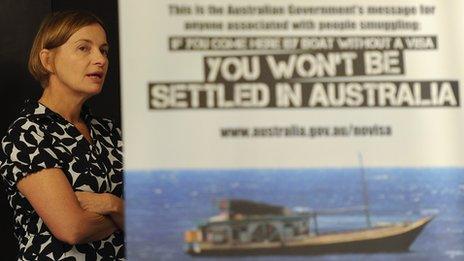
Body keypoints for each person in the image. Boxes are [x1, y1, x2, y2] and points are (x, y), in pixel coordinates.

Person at [0, 10, 125, 260]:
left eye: (104, 50)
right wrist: (127, 217)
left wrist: (112, 204)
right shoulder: (28, 134)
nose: (100, 59)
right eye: (83, 48)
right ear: (47, 61)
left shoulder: (110, 131)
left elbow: (154, 216)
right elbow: (73, 229)